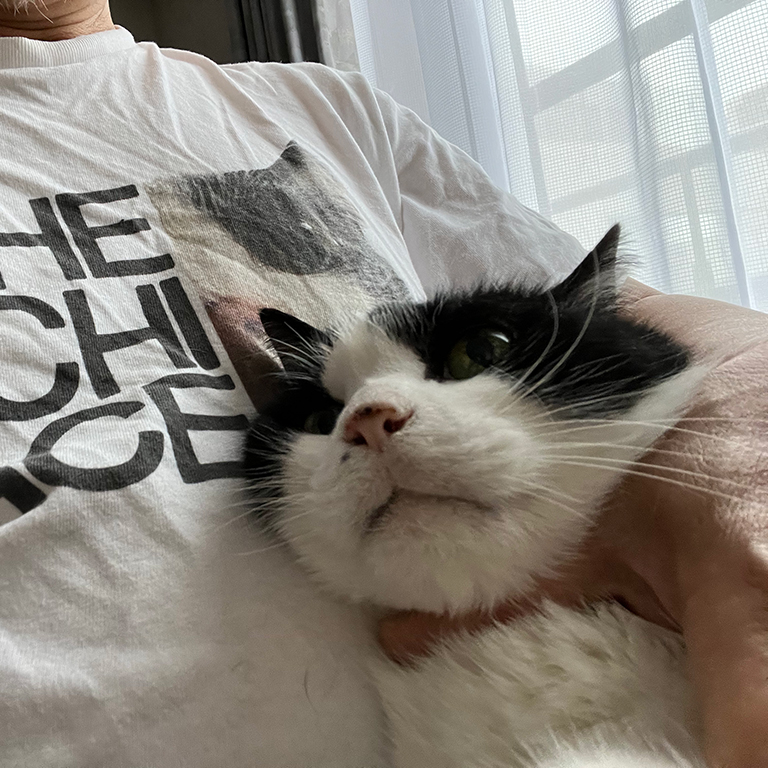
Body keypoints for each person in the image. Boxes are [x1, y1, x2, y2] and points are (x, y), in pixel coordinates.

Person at [0, 1, 765, 766]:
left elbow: (631, 310)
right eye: (324, 414)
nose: (367, 417)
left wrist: (739, 460)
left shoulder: (324, 106)